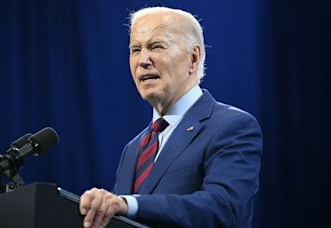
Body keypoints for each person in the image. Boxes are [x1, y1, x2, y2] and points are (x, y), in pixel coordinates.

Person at [79, 6, 262, 228]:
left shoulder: (231, 126)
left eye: (156, 47)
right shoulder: (133, 148)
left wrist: (129, 204)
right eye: (135, 50)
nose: (143, 60)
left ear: (193, 59)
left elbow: (225, 207)